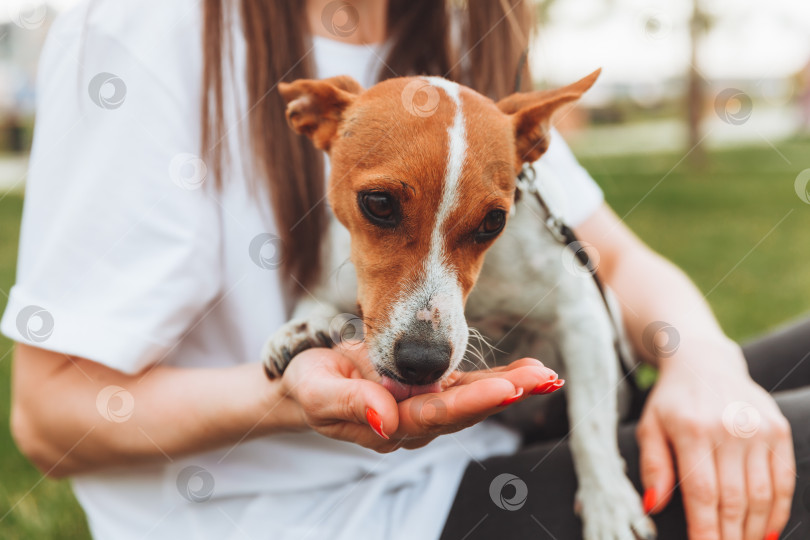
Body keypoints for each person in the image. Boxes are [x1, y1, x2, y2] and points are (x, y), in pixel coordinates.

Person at [3, 0, 807, 539]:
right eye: (383, 208)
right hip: (329, 515)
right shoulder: (141, 25)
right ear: (312, 118)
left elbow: (612, 259)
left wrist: (704, 361)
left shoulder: (453, 26)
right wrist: (284, 398)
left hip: (500, 438)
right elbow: (47, 416)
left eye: (480, 230)